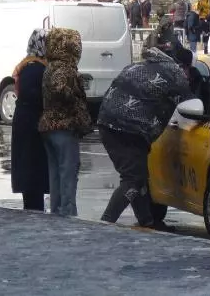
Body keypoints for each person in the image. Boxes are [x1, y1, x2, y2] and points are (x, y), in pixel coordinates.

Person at [97, 44, 196, 230]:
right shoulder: (175, 75)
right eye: (190, 69)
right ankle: (105, 222)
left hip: (107, 122)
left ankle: (148, 222)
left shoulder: (141, 65)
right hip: (128, 129)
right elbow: (193, 104)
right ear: (184, 66)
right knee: (133, 178)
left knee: (139, 176)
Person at [39, 28, 93, 217]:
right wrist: (75, 98)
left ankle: (56, 210)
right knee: (68, 171)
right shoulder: (65, 68)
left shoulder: (50, 66)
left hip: (47, 125)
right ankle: (68, 213)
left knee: (55, 172)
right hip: (64, 126)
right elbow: (60, 89)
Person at [11, 29, 50, 211]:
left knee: (30, 164)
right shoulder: (35, 67)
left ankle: (33, 205)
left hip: (26, 120)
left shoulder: (27, 65)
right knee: (33, 165)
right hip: (31, 122)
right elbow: (31, 94)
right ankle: (34, 208)